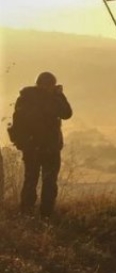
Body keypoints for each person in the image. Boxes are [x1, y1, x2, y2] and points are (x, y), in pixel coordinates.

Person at [11, 72, 72, 218]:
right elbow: (67, 113)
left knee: (32, 180)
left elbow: (17, 123)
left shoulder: (25, 98)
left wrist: (23, 143)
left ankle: (27, 213)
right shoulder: (51, 99)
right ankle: (45, 215)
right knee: (48, 181)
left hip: (34, 148)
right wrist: (59, 95)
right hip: (47, 147)